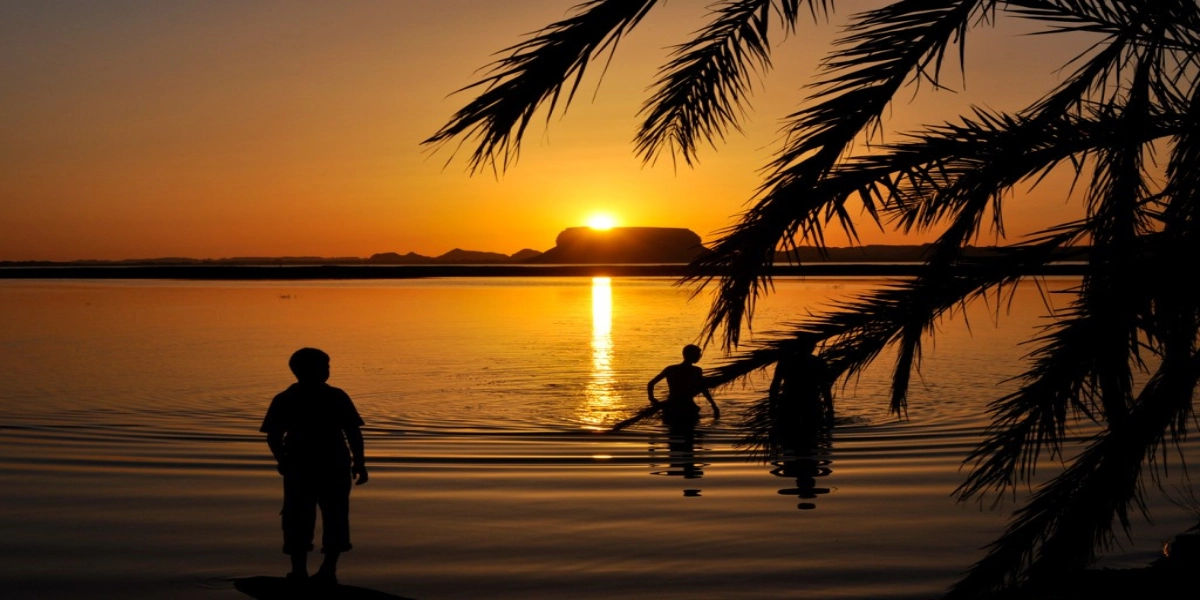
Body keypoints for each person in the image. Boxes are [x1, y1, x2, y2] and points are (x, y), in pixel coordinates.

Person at [260, 348, 368, 585]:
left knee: (324, 516)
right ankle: (308, 570)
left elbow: (352, 432)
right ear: (304, 371)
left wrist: (359, 461)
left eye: (328, 366)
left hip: (321, 465)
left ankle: (321, 570)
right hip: (310, 466)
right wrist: (283, 460)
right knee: (308, 517)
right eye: (324, 366)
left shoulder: (294, 398)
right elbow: (274, 436)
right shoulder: (292, 398)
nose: (328, 371)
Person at [646, 344, 719, 427]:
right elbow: (703, 389)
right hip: (688, 407)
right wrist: (714, 405)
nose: (699, 356)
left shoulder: (671, 369)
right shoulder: (696, 371)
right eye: (698, 354)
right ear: (692, 355)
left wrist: (652, 399)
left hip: (671, 406)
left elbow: (651, 384)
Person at [769, 343, 834, 431]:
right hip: (809, 405)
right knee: (810, 436)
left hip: (790, 405)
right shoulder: (818, 362)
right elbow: (825, 388)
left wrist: (772, 406)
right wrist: (830, 409)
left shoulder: (785, 362)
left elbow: (775, 386)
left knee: (788, 437)